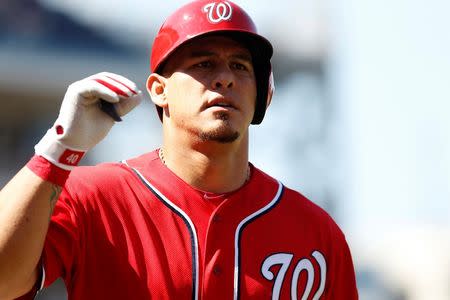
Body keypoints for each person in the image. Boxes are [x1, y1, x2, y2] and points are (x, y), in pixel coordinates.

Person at [0, 1, 358, 299]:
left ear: (263, 94)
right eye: (203, 64)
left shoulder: (316, 232)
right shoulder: (93, 195)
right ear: (158, 89)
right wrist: (58, 147)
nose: (224, 78)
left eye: (240, 66)